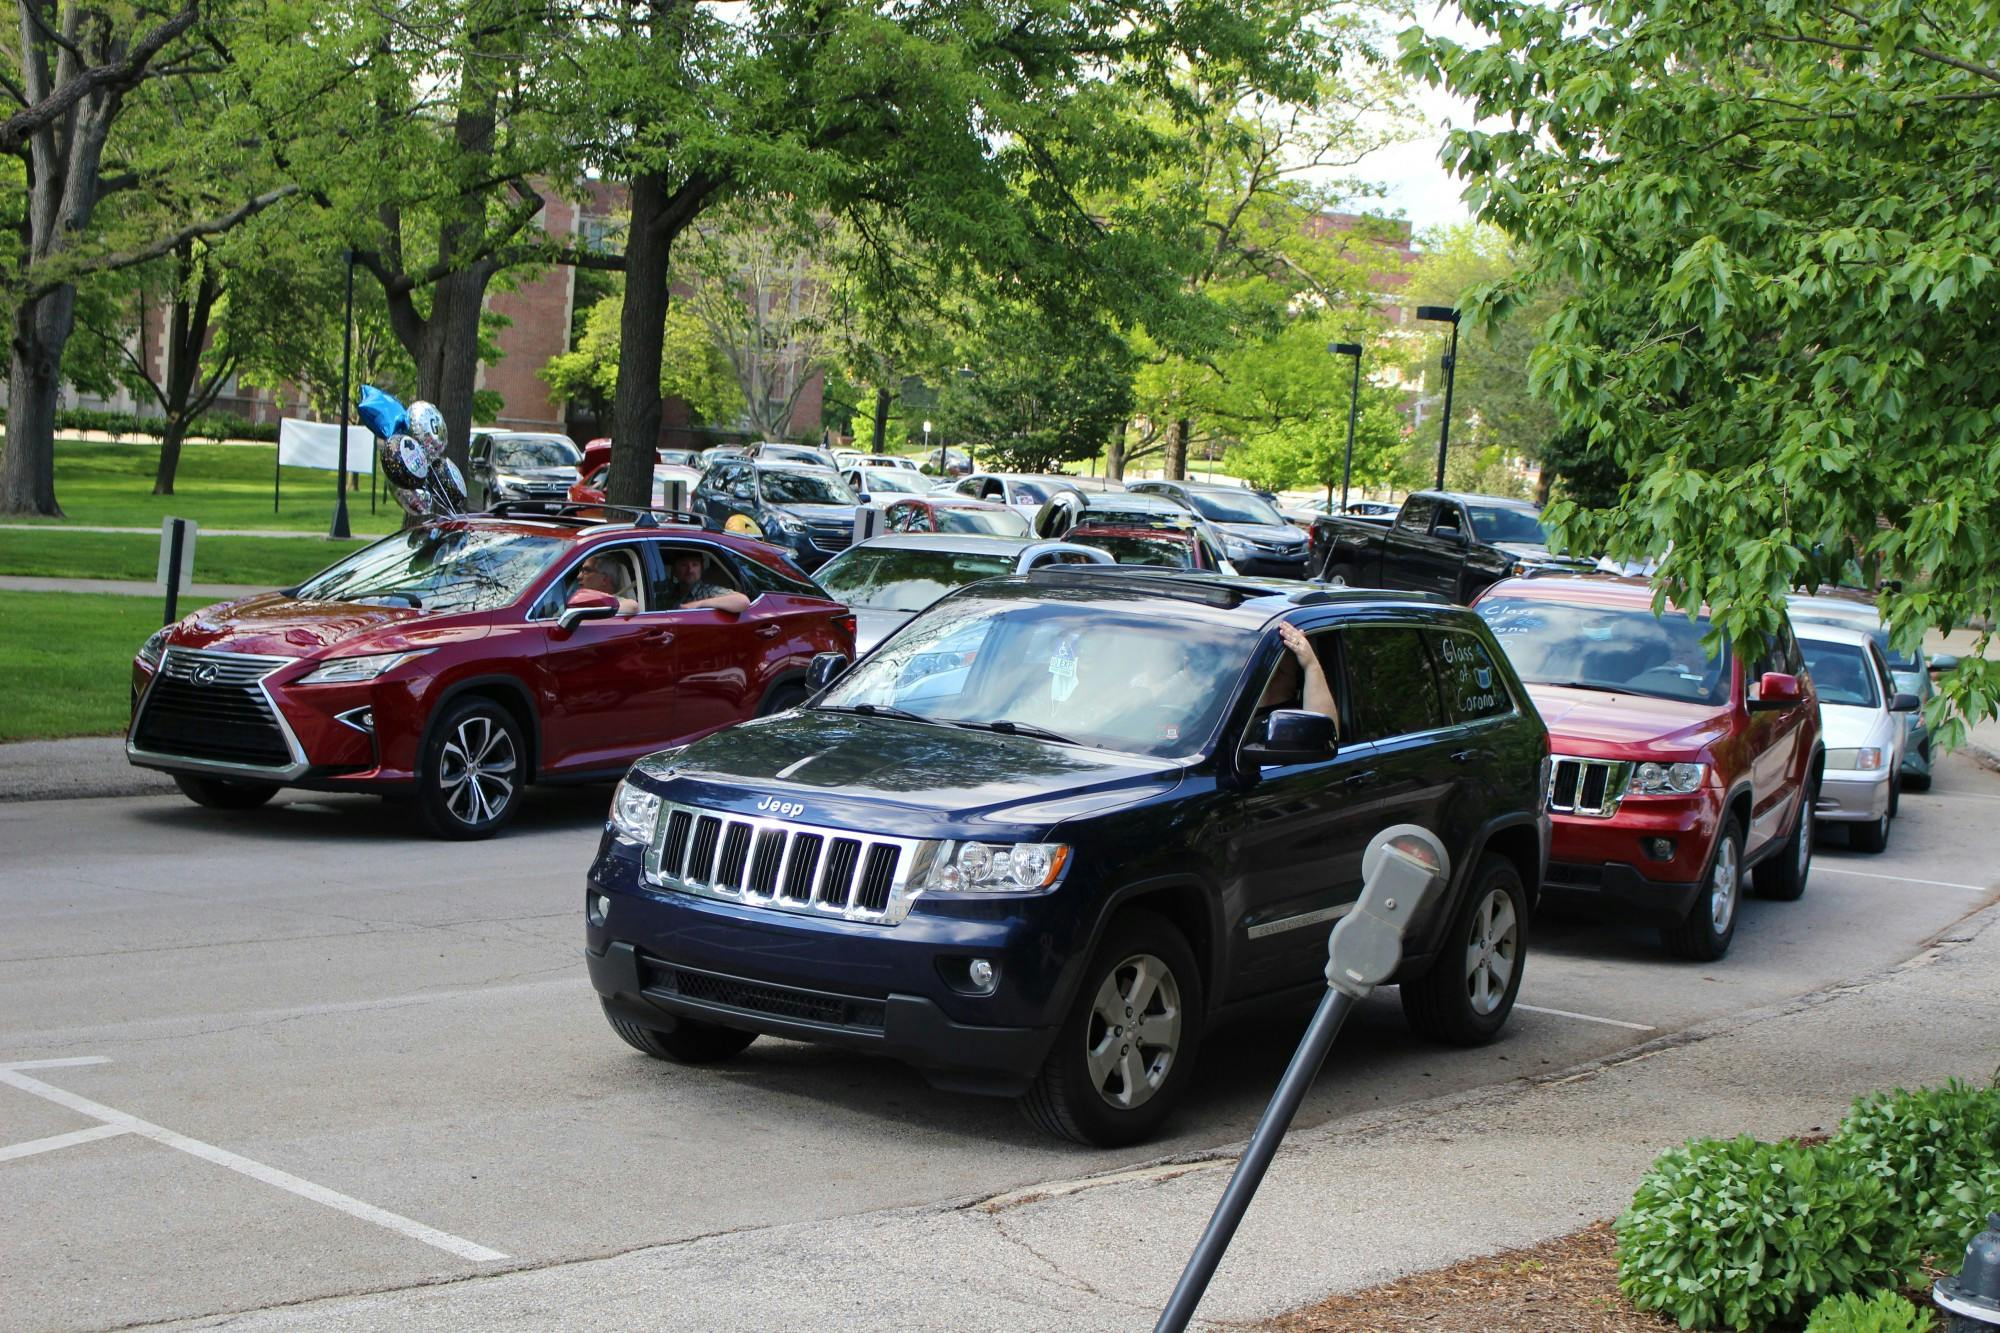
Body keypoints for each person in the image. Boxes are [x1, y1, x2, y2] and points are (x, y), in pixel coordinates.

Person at [1259, 621, 1338, 726]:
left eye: (1279, 673)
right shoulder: (1234, 702)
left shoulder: (1295, 719)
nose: (1270, 678)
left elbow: (1322, 732)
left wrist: (1311, 665)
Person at [662, 550, 750, 613]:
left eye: (695, 565)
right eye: (684, 565)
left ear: (702, 568)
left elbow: (743, 601)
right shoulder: (666, 592)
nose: (690, 570)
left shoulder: (708, 592)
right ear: (674, 570)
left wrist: (697, 605)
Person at [573, 554, 640, 615]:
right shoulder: (579, 600)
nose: (579, 576)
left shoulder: (616, 601)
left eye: (586, 571)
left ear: (604, 579)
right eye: (581, 570)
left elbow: (633, 606)